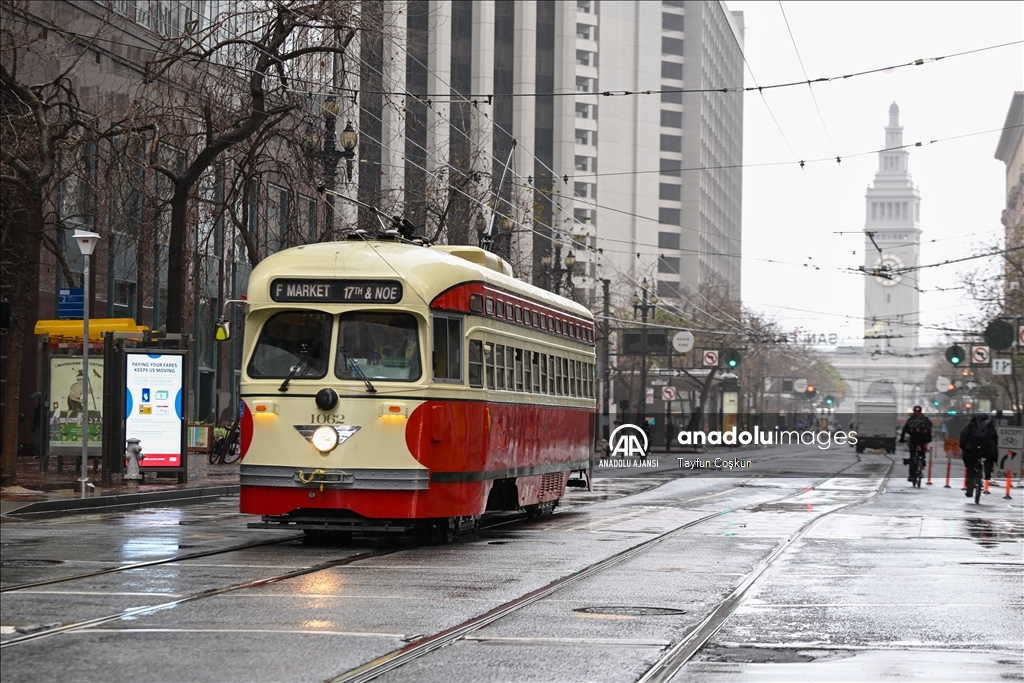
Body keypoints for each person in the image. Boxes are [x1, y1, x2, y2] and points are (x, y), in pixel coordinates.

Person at [960, 415, 997, 498]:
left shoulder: (972, 425)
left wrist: (964, 448)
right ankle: (987, 473)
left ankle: (970, 488)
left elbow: (963, 436)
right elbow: (995, 439)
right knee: (989, 458)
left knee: (971, 466)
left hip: (972, 448)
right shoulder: (990, 426)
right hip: (986, 449)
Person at [900, 406, 932, 482]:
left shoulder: (911, 420)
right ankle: (922, 462)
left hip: (913, 440)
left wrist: (902, 438)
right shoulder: (925, 420)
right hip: (923, 440)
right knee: (922, 453)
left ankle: (911, 475)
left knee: (912, 456)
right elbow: (929, 429)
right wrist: (929, 439)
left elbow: (905, 429)